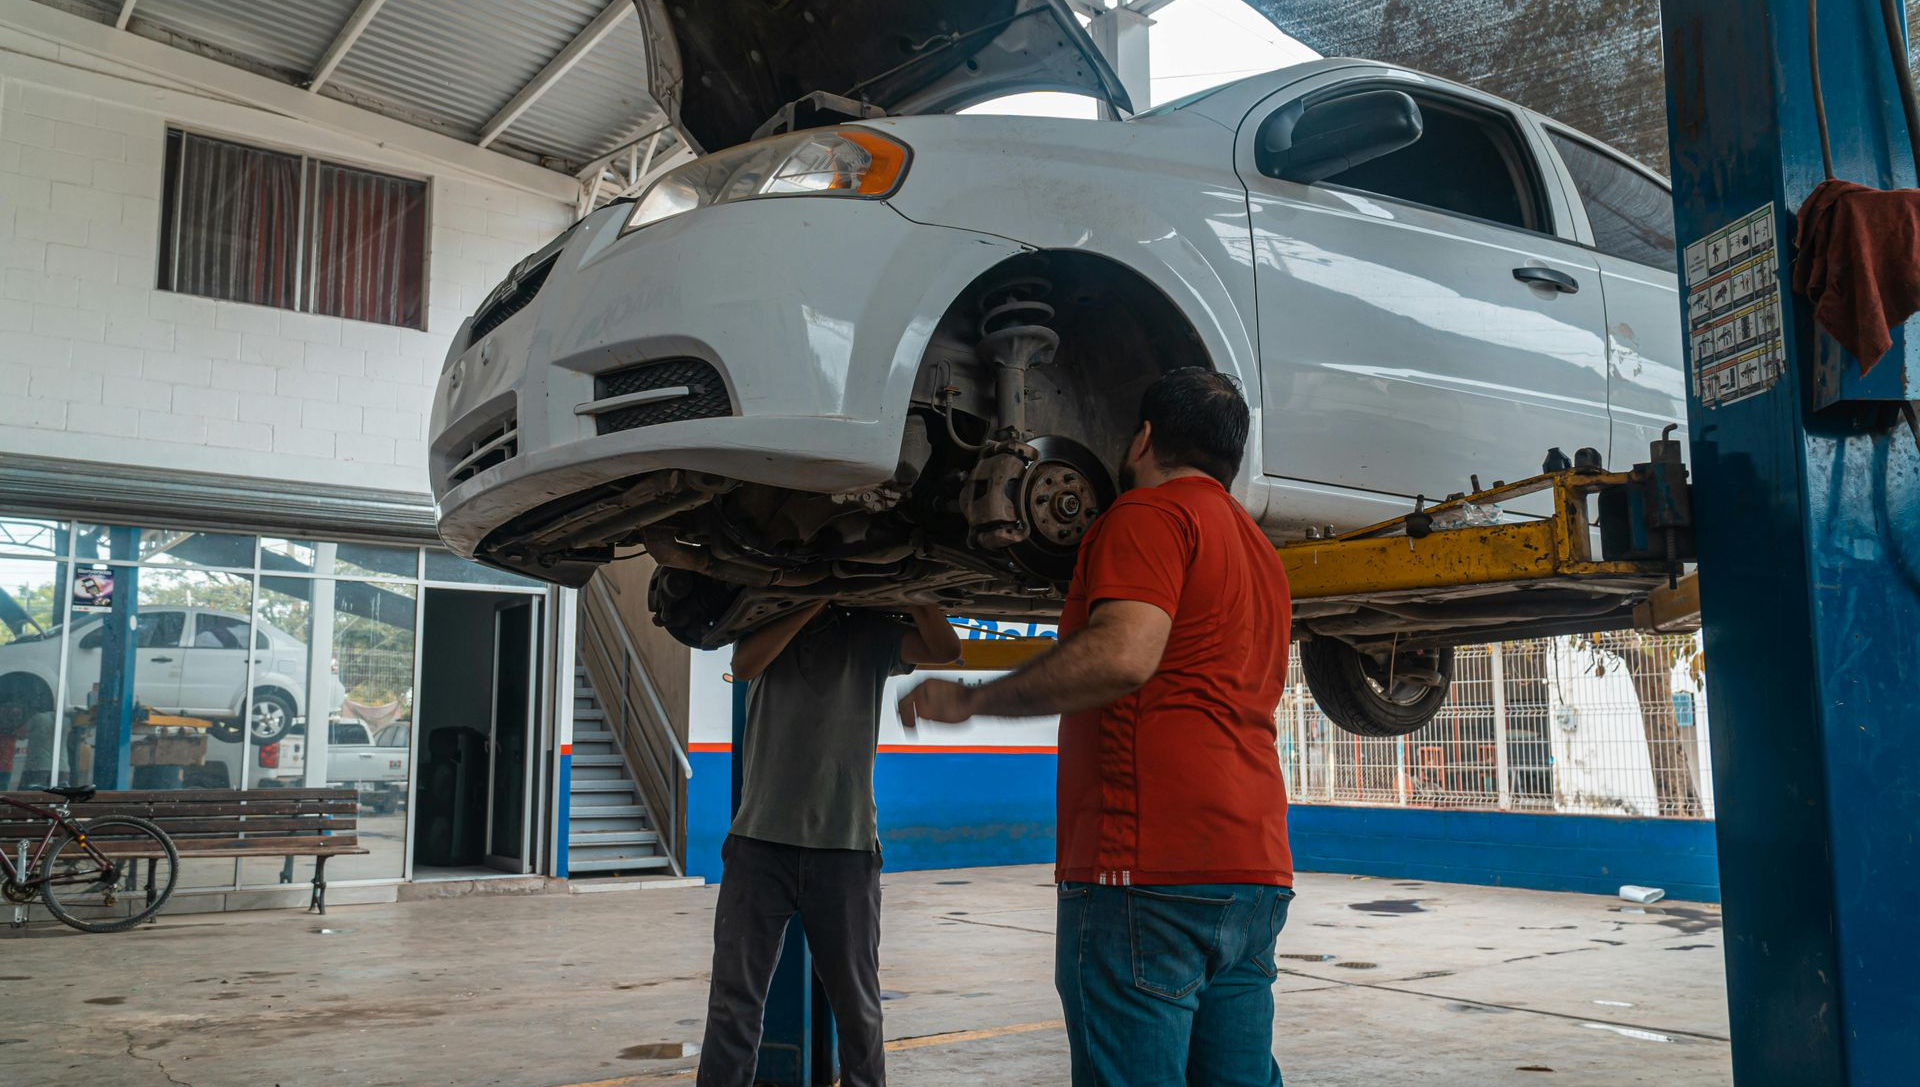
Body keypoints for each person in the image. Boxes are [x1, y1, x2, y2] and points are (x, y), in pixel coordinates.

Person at [898, 368, 1294, 1087]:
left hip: (1147, 871)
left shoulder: (1150, 516)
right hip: (1253, 873)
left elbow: (1122, 653)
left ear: (1142, 438)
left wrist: (972, 700)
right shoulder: (1263, 555)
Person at [698, 601, 961, 1087]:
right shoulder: (766, 622)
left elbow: (947, 649)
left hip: (846, 847)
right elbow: (743, 665)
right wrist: (813, 597)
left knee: (858, 1008)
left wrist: (919, 597)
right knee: (735, 1004)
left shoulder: (872, 633)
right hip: (759, 844)